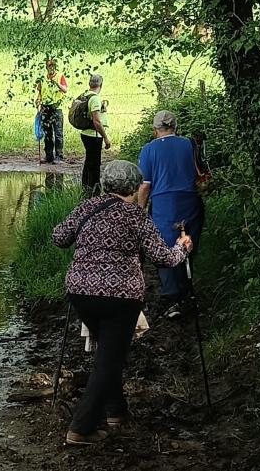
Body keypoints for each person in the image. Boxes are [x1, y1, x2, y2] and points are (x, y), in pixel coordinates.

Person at [52, 160, 193, 445]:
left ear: (106, 183)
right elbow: (163, 259)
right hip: (121, 297)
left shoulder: (86, 208)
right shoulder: (136, 216)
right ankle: (81, 428)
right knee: (109, 360)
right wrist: (182, 248)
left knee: (108, 352)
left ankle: (116, 412)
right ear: (134, 187)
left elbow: (59, 237)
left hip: (81, 291)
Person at [137, 110, 205, 318]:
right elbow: (201, 175)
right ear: (175, 126)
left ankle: (172, 299)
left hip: (164, 204)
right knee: (187, 245)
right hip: (190, 201)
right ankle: (186, 293)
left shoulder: (148, 150)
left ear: (155, 129)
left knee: (165, 249)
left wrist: (140, 211)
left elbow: (145, 186)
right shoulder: (189, 144)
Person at [78, 74, 111, 194]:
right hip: (94, 135)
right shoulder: (95, 99)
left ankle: (85, 187)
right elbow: (96, 121)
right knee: (95, 165)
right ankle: (94, 191)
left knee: (88, 162)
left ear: (89, 84)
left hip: (85, 133)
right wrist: (106, 138)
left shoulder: (85, 95)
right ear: (100, 85)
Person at [36, 58, 68, 163]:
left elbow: (65, 90)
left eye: (52, 66)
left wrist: (56, 83)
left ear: (55, 66)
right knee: (47, 133)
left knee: (58, 133)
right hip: (45, 108)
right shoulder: (42, 78)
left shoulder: (60, 76)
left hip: (56, 108)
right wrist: (38, 100)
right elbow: (40, 92)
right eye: (49, 66)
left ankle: (59, 156)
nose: (50, 68)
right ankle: (49, 156)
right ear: (46, 67)